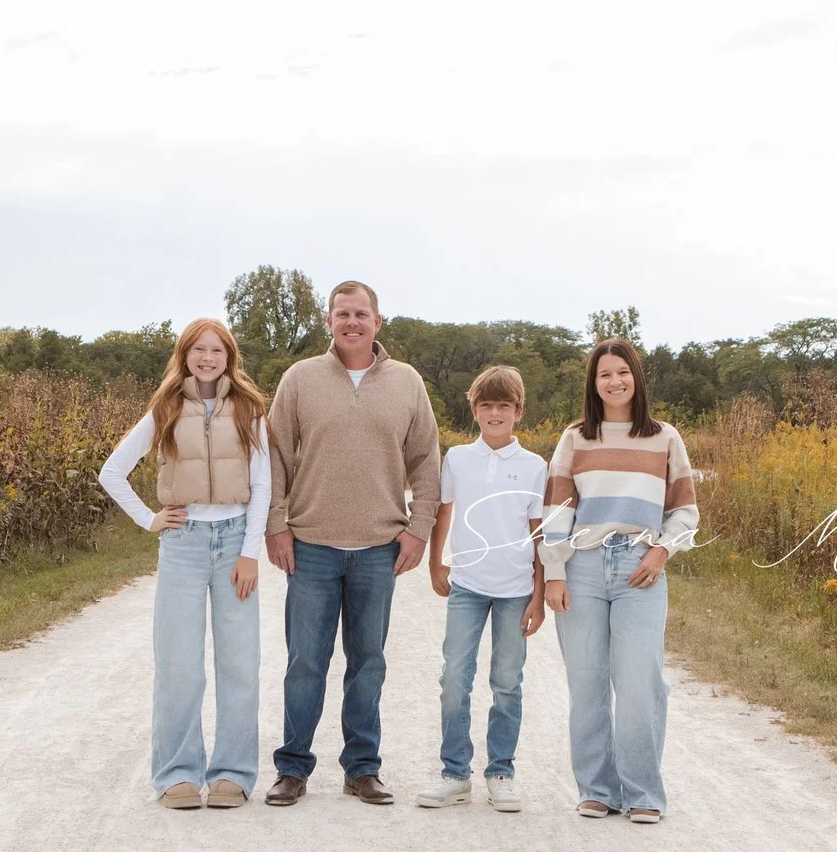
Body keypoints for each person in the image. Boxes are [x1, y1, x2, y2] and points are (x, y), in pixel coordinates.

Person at [261, 280, 442, 807]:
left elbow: (427, 460)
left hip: (379, 547)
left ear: (377, 321)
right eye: (342, 314)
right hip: (312, 544)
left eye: (361, 313)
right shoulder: (299, 379)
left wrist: (418, 529)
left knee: (368, 662)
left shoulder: (406, 382)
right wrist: (277, 522)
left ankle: (362, 768)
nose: (352, 322)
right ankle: (292, 767)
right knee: (305, 662)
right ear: (329, 322)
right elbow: (273, 455)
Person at [98, 317, 271, 808]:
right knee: (178, 664)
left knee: (239, 662)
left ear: (229, 356)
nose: (208, 358)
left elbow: (263, 485)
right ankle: (176, 774)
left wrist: (251, 553)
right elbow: (112, 471)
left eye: (217, 350)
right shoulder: (166, 407)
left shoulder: (251, 409)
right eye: (198, 349)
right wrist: (149, 520)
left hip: (236, 540)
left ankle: (232, 775)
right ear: (185, 355)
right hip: (184, 544)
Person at [540, 337, 697, 823]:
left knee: (639, 683)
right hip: (583, 567)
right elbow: (556, 512)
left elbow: (685, 510)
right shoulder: (575, 438)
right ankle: (597, 789)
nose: (614, 381)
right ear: (593, 382)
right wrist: (555, 574)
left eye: (622, 372)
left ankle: (643, 792)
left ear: (637, 377)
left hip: (639, 568)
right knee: (586, 683)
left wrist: (661, 549)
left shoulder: (664, 437)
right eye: (604, 374)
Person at [416, 365, 546, 812]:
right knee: (454, 677)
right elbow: (443, 512)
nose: (495, 413)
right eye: (486, 405)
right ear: (474, 410)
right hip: (467, 585)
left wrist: (539, 593)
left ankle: (501, 772)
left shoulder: (534, 467)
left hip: (515, 589)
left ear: (518, 412)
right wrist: (436, 563)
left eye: (503, 407)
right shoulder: (457, 459)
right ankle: (455, 773)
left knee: (507, 681)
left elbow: (538, 533)